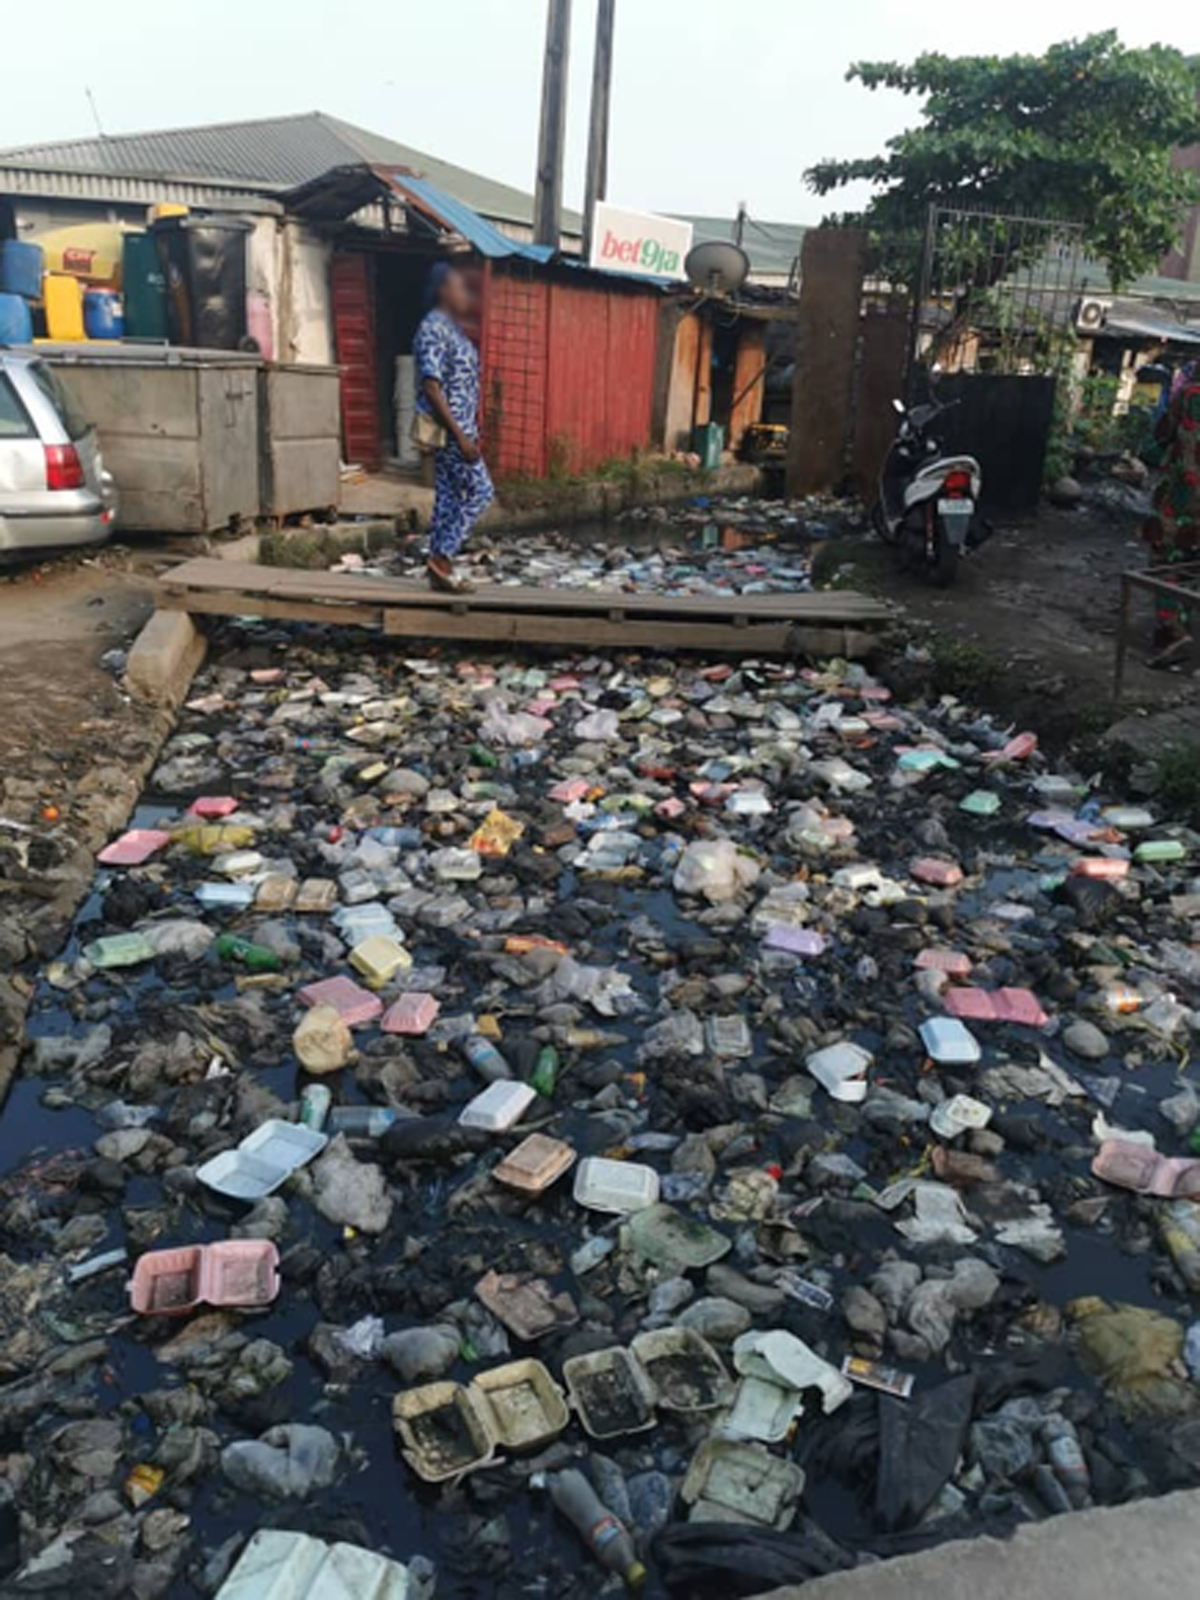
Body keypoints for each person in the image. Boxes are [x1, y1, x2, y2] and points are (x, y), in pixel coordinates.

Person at [413, 262, 494, 592]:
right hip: (451, 432)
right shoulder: (433, 328)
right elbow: (432, 387)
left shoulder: (451, 328)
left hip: (460, 429)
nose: (466, 295)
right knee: (481, 492)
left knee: (447, 499)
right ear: (444, 290)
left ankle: (438, 572)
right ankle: (442, 558)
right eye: (460, 287)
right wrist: (461, 437)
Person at [1142, 360, 1200, 666]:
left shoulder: (1189, 395)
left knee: (1162, 564)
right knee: (1192, 565)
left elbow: (1160, 434)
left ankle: (1175, 631)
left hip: (1179, 498)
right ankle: (1179, 627)